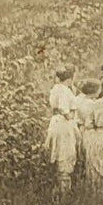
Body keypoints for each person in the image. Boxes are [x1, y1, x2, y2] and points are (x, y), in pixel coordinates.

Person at [45, 68, 80, 197]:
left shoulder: (55, 88)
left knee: (58, 152)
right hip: (63, 125)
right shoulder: (65, 91)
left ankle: (60, 190)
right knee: (65, 154)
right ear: (70, 79)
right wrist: (71, 116)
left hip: (55, 122)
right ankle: (64, 193)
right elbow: (64, 110)